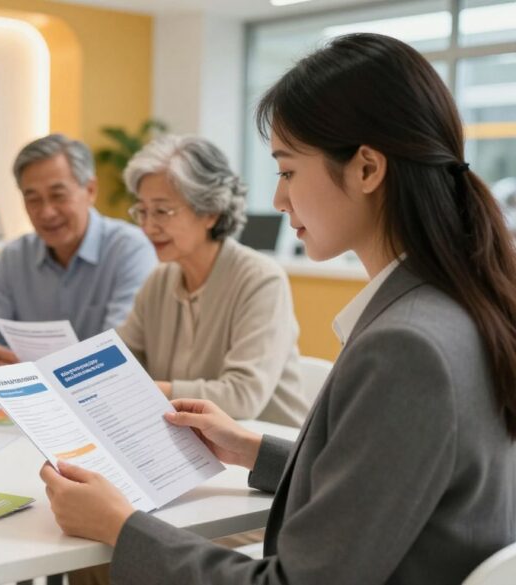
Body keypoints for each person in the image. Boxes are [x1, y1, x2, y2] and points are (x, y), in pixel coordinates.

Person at [40, 33, 516, 585]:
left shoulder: (407, 347)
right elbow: (382, 485)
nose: (278, 199)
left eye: (287, 170)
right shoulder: (454, 310)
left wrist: (121, 527)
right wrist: (252, 449)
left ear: (366, 169)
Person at [118, 134, 308, 426]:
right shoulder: (159, 281)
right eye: (142, 211)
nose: (147, 226)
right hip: (192, 444)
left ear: (210, 212)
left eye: (161, 211)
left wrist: (155, 391)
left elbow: (243, 397)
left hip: (269, 454)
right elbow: (122, 360)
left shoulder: (260, 279)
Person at [0, 134, 157, 367]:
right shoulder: (15, 256)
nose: (46, 212)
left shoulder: (129, 249)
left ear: (90, 190)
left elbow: (119, 350)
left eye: (58, 195)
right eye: (32, 199)